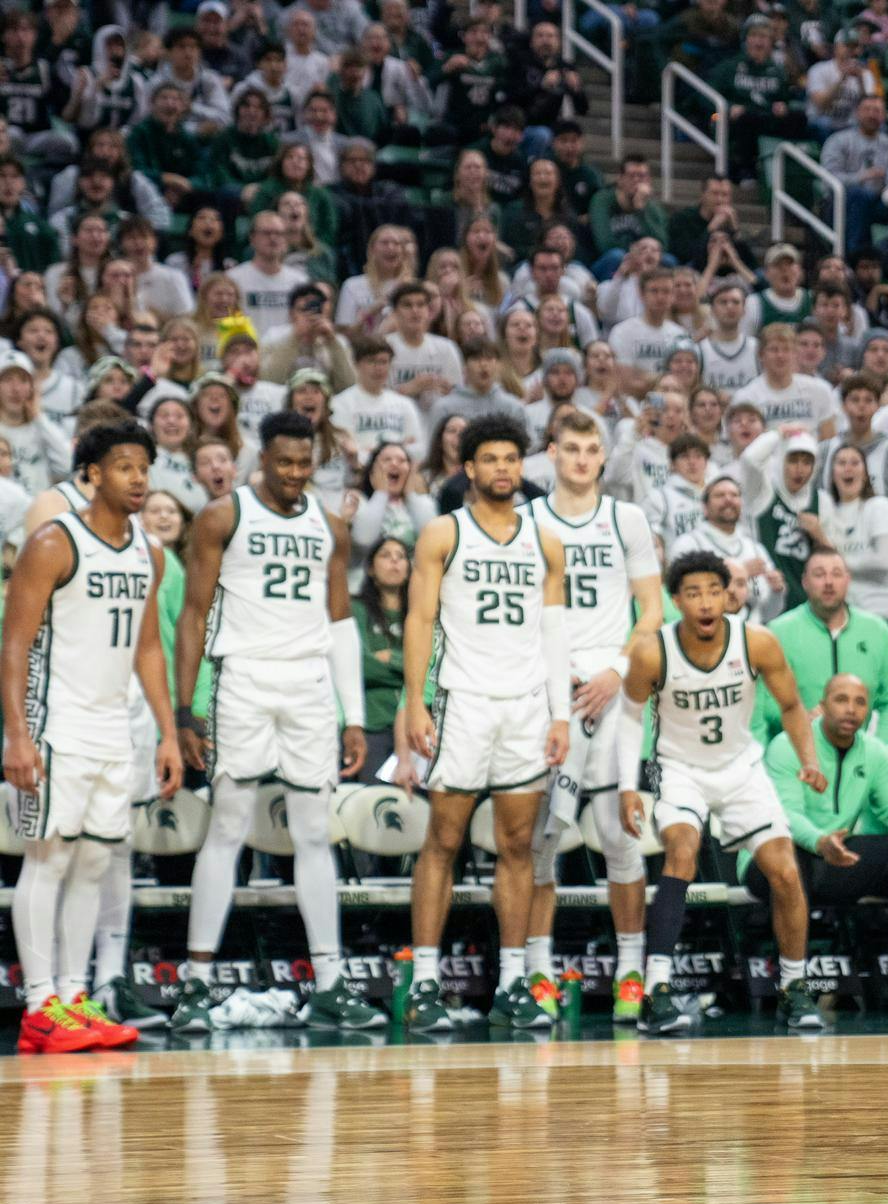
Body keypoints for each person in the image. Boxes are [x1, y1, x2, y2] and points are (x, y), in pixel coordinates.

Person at [167, 409, 381, 1032]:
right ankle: (196, 983)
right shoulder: (223, 515)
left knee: (314, 833)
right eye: (283, 462)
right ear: (262, 459)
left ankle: (332, 983)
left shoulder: (329, 525)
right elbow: (194, 616)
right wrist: (187, 706)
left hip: (311, 685)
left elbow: (342, 623)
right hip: (244, 681)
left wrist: (354, 715)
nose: (293, 473)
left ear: (315, 461)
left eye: (303, 463)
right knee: (228, 825)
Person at [1, 423, 178, 1053]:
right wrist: (17, 736)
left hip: (112, 727)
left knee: (95, 861)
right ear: (93, 474)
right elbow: (14, 643)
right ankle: (38, 1003)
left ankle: (75, 999)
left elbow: (149, 647)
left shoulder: (147, 552)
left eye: (144, 468)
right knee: (48, 858)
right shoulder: (54, 541)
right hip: (55, 726)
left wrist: (168, 731)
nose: (138, 479)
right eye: (125, 467)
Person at [395, 415, 572, 1032]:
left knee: (519, 846)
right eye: (490, 459)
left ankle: (515, 981)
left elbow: (555, 634)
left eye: (511, 459)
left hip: (526, 706)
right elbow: (419, 622)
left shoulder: (546, 539)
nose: (503, 468)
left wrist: (560, 713)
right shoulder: (443, 533)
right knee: (443, 840)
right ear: (468, 469)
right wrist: (414, 701)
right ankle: (422, 983)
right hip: (464, 700)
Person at [616, 552, 827, 1033]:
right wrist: (628, 786)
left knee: (786, 871)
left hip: (740, 768)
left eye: (715, 590)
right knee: (682, 853)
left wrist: (809, 760)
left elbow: (793, 706)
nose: (707, 602)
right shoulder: (653, 651)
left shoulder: (758, 643)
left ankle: (794, 987)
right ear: (676, 601)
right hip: (679, 768)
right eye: (694, 593)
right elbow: (628, 719)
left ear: (730, 593)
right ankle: (657, 989)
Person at [520, 414, 663, 1023]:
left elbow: (653, 608)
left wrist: (620, 671)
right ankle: (536, 973)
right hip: (547, 690)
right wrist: (554, 677)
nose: (581, 459)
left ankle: (631, 972)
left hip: (612, 689)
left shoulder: (625, 518)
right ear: (551, 453)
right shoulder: (527, 521)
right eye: (570, 448)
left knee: (618, 835)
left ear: (604, 456)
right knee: (541, 840)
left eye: (591, 449)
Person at [759, 672, 888, 1015]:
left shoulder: (875, 752)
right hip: (778, 861)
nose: (851, 709)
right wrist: (820, 841)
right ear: (821, 705)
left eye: (860, 702)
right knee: (789, 855)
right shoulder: (787, 745)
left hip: (837, 857)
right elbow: (785, 815)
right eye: (841, 699)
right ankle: (793, 986)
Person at [753, 547, 888, 741]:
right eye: (819, 574)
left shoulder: (877, 631)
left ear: (848, 580)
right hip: (794, 755)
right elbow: (762, 702)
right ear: (804, 582)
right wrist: (799, 719)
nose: (829, 582)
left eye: (837, 574)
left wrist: (881, 751)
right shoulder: (778, 632)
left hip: (857, 759)